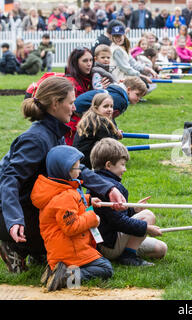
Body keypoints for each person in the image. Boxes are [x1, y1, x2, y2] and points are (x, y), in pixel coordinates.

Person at [0, 77, 126, 274]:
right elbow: (9, 179)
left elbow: (75, 169)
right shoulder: (36, 139)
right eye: (71, 102)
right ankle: (15, 245)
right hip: (12, 211)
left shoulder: (54, 132)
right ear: (55, 104)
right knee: (67, 231)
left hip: (35, 206)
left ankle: (37, 249)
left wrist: (108, 188)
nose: (74, 108)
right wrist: (14, 220)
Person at [30, 145, 113, 291]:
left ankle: (56, 270)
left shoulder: (59, 188)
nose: (80, 171)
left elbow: (71, 204)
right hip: (70, 250)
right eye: (76, 168)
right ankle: (65, 277)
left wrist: (87, 200)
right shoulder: (65, 196)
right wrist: (93, 218)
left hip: (63, 249)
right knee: (105, 269)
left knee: (101, 264)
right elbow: (71, 226)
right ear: (66, 171)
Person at [89, 138, 168, 266]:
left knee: (160, 249)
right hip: (107, 244)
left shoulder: (95, 182)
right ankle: (128, 256)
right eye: (122, 164)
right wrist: (146, 227)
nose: (125, 169)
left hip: (107, 241)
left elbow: (114, 215)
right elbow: (118, 222)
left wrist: (133, 210)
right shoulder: (112, 188)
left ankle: (127, 252)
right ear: (108, 165)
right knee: (148, 215)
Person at [73, 93, 122, 169]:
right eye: (105, 106)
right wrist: (116, 135)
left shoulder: (90, 117)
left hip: (78, 158)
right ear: (96, 108)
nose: (109, 109)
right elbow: (111, 145)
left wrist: (115, 132)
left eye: (111, 106)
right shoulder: (100, 123)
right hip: (87, 162)